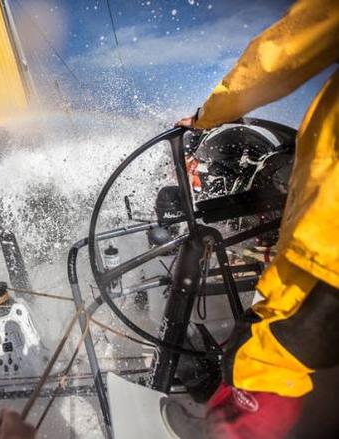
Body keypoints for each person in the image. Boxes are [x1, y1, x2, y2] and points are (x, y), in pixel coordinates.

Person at [173, 0, 338, 437]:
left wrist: (211, 115)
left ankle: (235, 428)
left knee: (271, 350)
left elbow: (282, 52)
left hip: (329, 240)